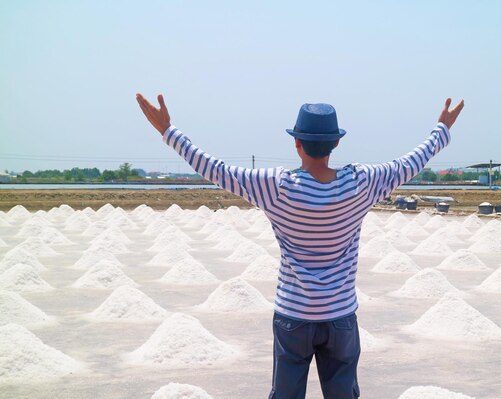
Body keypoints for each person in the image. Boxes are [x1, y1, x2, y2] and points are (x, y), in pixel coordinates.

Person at [136, 94, 464, 398]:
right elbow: (410, 162)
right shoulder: (362, 183)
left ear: (297, 144)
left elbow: (217, 170)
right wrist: (441, 129)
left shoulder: (276, 187)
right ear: (336, 142)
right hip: (340, 317)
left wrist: (168, 131)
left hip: (293, 316)